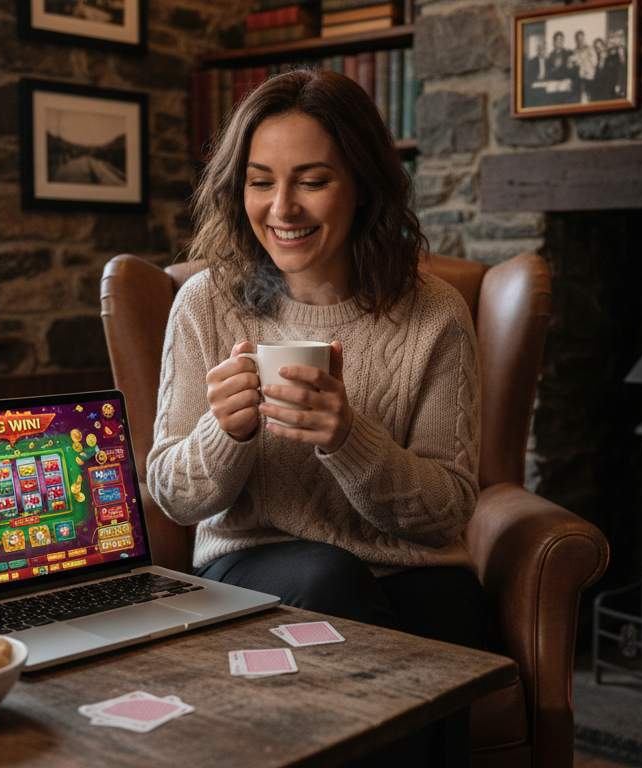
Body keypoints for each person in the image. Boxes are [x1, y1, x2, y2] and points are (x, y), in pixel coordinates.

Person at [147, 69, 487, 650]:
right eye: (260, 182)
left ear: (363, 185)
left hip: (409, 567)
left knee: (457, 617)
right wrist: (224, 432)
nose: (283, 208)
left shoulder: (436, 314)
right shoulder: (205, 303)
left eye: (312, 181)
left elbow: (446, 514)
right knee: (329, 579)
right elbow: (174, 498)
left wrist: (349, 438)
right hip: (254, 565)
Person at [570, 29, 598, 103]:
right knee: (580, 98)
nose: (580, 40)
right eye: (578, 39)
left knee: (590, 97)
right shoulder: (575, 51)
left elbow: (595, 62)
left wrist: (585, 63)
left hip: (590, 76)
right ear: (576, 40)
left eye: (581, 38)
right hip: (579, 78)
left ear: (584, 38)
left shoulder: (590, 48)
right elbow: (573, 63)